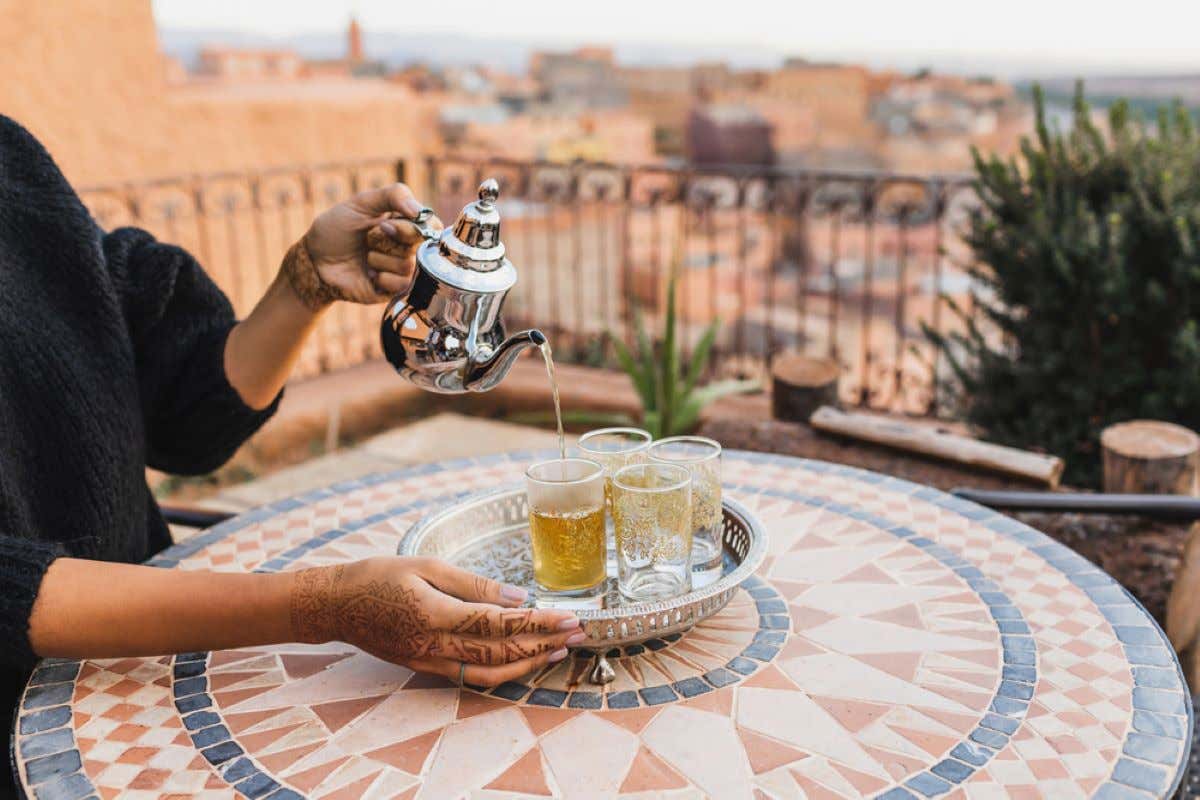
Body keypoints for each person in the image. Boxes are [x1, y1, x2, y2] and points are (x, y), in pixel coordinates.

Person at [0, 115, 584, 791]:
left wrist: (306, 281)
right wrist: (321, 605)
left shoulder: (13, 162)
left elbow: (187, 422)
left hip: (146, 670)